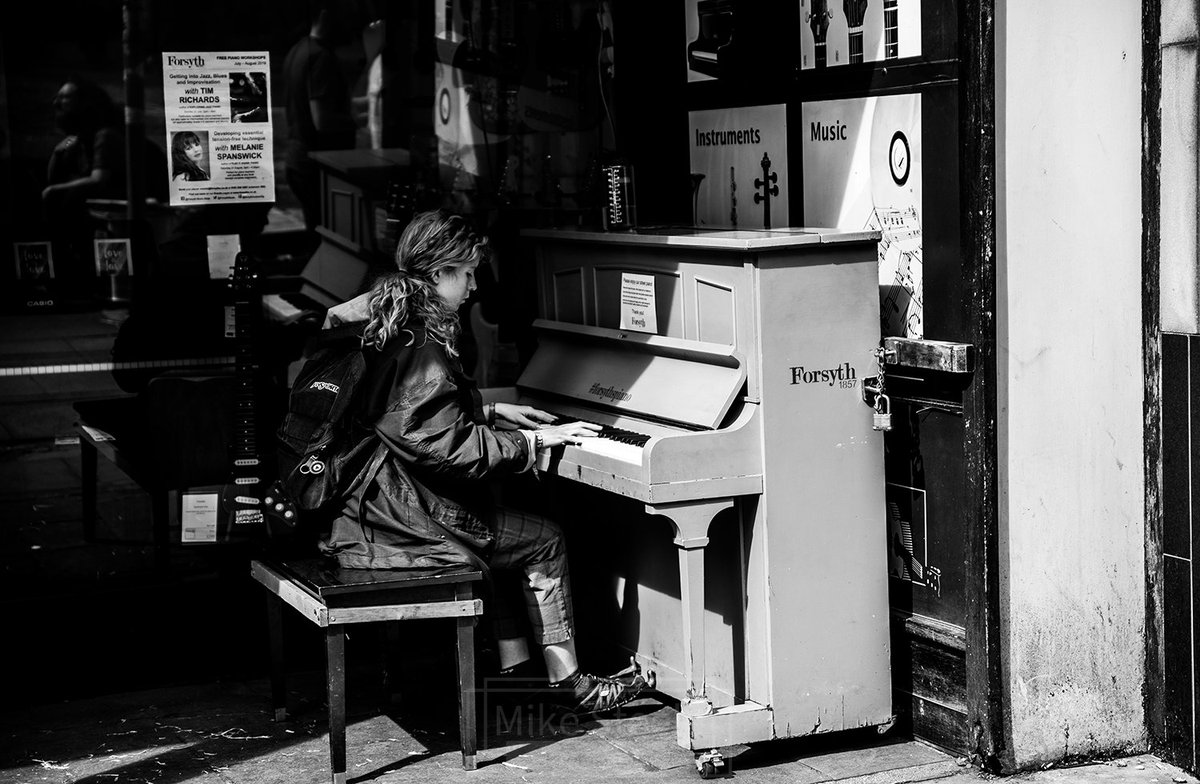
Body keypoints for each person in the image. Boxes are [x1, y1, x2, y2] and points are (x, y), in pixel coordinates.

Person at [317, 209, 651, 715]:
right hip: (400, 524)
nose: (474, 284)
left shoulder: (387, 319)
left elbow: (406, 413)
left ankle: (514, 667)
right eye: (467, 272)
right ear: (438, 273)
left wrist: (489, 410)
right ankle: (573, 686)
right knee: (543, 539)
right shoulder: (421, 342)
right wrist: (532, 442)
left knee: (500, 514)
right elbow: (443, 446)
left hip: (375, 508)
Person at [282, 0, 359, 232]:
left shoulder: (298, 50)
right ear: (326, 16)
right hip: (316, 166)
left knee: (315, 237)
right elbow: (322, 120)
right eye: (343, 16)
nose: (347, 24)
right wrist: (361, 123)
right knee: (331, 239)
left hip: (297, 160)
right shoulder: (321, 57)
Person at [42, 75, 127, 281]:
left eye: (65, 98)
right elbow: (53, 176)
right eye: (57, 97)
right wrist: (58, 151)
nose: (57, 103)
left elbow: (99, 179)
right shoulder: (79, 139)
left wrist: (54, 191)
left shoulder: (104, 135)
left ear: (85, 103)